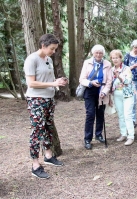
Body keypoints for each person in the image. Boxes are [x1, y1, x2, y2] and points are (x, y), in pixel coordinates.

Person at [24, 34, 68, 179]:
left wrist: (57, 81)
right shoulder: (32, 59)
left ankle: (48, 156)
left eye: (55, 49)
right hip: (36, 100)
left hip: (49, 99)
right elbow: (31, 83)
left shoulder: (48, 59)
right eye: (52, 49)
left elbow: (47, 80)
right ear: (43, 45)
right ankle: (35, 165)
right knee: (37, 131)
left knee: (48, 128)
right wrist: (53, 84)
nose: (53, 52)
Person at [79, 44, 112, 150]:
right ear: (93, 53)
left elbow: (109, 81)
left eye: (100, 53)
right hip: (89, 90)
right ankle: (87, 139)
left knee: (100, 114)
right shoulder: (87, 62)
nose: (98, 54)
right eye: (96, 52)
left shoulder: (107, 64)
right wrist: (91, 82)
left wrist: (105, 91)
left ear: (103, 54)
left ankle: (98, 134)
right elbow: (82, 79)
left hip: (102, 91)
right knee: (90, 114)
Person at [110, 49, 135, 146]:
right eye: (113, 58)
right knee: (120, 115)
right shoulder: (111, 70)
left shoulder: (126, 68)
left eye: (117, 58)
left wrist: (119, 77)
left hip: (127, 95)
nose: (115, 60)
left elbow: (128, 81)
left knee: (127, 115)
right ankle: (123, 133)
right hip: (117, 95)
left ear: (121, 58)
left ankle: (131, 136)